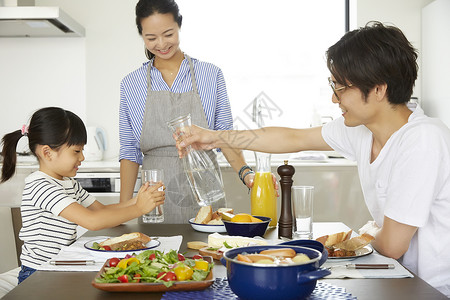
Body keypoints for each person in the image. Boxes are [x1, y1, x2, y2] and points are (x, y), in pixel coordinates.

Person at [176, 22, 450, 296]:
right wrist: (215, 137)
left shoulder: (422, 140)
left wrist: (366, 232)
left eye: (341, 87)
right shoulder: (362, 129)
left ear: (379, 89)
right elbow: (293, 139)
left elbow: (391, 245)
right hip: (396, 277)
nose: (334, 97)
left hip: (429, 289)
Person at [119, 0, 258, 223]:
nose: (162, 44)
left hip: (206, 192)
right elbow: (129, 151)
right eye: (151, 38)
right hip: (154, 197)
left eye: (168, 34)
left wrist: (246, 173)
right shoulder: (131, 84)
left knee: (206, 252)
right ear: (141, 35)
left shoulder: (210, 75)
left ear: (179, 25)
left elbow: (225, 135)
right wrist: (122, 212)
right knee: (157, 256)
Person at [0, 107, 165, 284]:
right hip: (38, 275)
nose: (82, 157)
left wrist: (137, 201)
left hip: (59, 267)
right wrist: (139, 208)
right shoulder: (41, 186)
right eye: (77, 151)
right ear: (47, 153)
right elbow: (92, 221)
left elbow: (102, 211)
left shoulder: (69, 183)